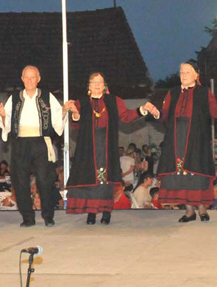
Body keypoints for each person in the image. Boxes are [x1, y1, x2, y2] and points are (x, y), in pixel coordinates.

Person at [65, 72, 156, 224]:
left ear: (104, 85)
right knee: (91, 180)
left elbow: (127, 116)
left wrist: (142, 109)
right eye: (94, 82)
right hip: (88, 147)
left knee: (106, 180)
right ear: (89, 86)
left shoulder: (114, 101)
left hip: (107, 144)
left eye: (100, 82)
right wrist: (74, 113)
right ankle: (91, 213)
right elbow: (75, 126)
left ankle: (106, 212)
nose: (97, 85)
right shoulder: (82, 102)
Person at [154, 62, 217, 223]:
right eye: (181, 72)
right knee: (181, 175)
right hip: (176, 138)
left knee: (196, 173)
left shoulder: (204, 92)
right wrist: (156, 113)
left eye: (187, 72)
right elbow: (164, 115)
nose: (184, 75)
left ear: (196, 75)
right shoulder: (173, 93)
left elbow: (215, 112)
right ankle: (189, 211)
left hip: (196, 138)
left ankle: (202, 208)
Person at [0, 66, 66, 227]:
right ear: (22, 79)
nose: (29, 80)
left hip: (41, 141)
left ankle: (48, 216)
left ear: (38, 79)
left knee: (45, 180)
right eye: (26, 77)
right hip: (21, 142)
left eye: (32, 77)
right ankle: (27, 217)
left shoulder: (47, 96)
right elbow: (6, 121)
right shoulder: (15, 98)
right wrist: (3, 115)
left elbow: (57, 119)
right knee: (20, 181)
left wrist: (64, 111)